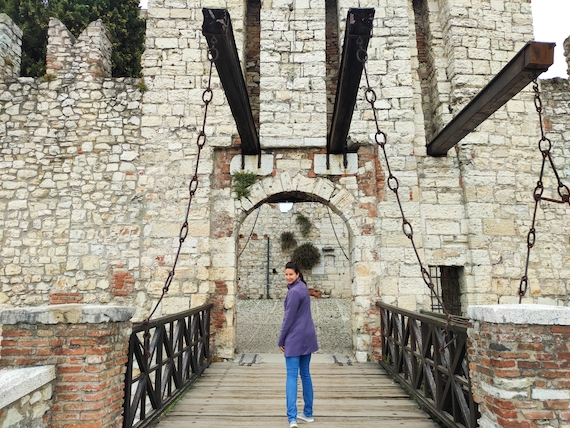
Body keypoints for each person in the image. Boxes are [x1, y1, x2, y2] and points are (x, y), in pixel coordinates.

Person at [278, 261, 319, 428]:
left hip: (295, 338)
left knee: (292, 377)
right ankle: (308, 413)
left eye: (291, 274)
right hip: (307, 337)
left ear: (297, 274)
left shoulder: (294, 292)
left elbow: (289, 319)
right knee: (306, 375)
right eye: (286, 274)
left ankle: (292, 418)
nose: (288, 277)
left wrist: (281, 339)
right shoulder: (303, 287)